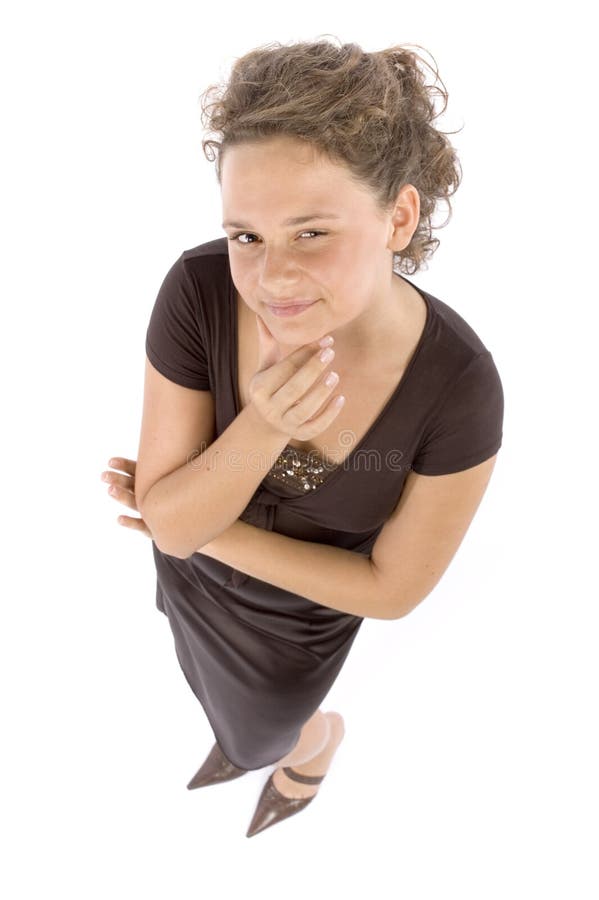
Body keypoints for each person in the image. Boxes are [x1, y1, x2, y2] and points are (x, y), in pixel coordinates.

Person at [100, 38, 504, 838]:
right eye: (246, 235)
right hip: (192, 589)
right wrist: (257, 434)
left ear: (399, 216)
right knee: (207, 687)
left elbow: (393, 590)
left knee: (266, 726)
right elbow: (174, 530)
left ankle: (308, 744)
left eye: (312, 233)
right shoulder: (198, 290)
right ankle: (251, 741)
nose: (270, 277)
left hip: (300, 627)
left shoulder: (461, 389)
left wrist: (195, 521)